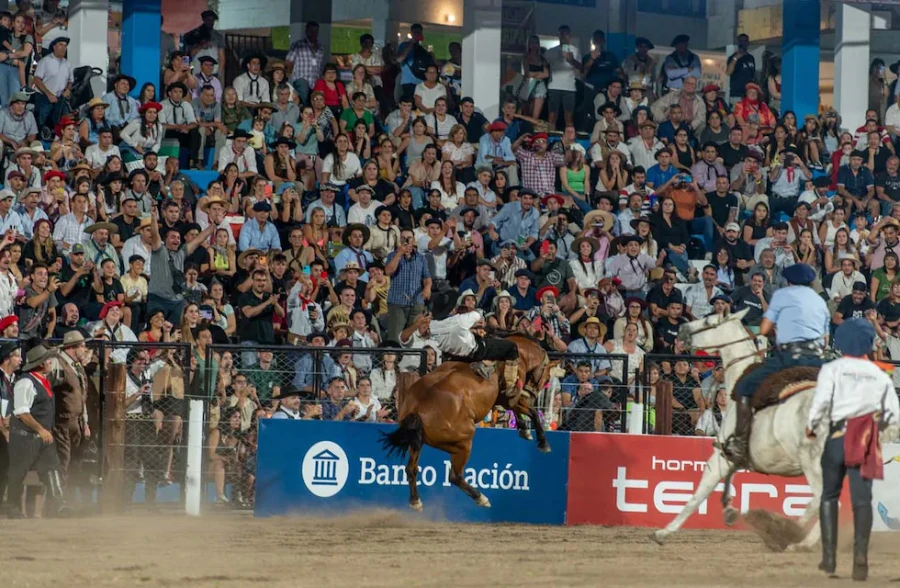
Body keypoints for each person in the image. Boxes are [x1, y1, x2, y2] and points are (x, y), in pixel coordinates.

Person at [807, 318, 900, 581]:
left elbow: (821, 403)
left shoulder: (832, 369)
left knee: (829, 495)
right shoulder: (879, 373)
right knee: (862, 501)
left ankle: (829, 559)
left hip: (837, 435)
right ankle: (860, 559)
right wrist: (880, 433)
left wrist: (812, 425)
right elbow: (894, 413)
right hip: (866, 438)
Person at [729, 263, 829, 466]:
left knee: (744, 387)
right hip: (818, 360)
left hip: (789, 357)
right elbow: (826, 340)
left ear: (789, 281)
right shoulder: (820, 301)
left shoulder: (782, 295)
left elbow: (765, 329)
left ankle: (739, 444)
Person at [6, 343, 67, 518]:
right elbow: (22, 412)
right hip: (25, 437)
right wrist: (41, 430)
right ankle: (12, 507)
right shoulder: (25, 382)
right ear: (40, 363)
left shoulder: (44, 381)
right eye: (48, 359)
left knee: (52, 467)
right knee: (18, 471)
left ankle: (59, 504)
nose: (51, 362)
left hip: (42, 435)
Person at [426, 310, 521, 402]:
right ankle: (510, 387)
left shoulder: (434, 326)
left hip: (454, 355)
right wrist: (475, 322)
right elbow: (477, 317)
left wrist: (472, 330)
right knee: (511, 347)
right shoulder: (461, 320)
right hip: (475, 350)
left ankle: (484, 364)